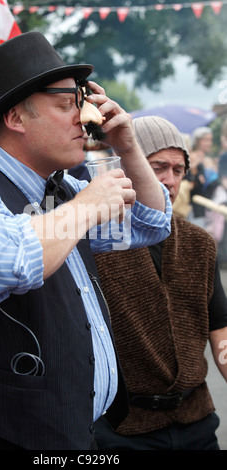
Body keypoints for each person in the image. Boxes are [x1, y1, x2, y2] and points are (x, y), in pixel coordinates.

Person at [0, 32, 172, 450]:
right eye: (65, 105)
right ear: (17, 119)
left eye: (82, 103)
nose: (85, 118)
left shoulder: (63, 189)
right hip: (3, 437)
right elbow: (9, 262)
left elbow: (150, 224)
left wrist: (129, 148)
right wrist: (86, 206)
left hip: (75, 430)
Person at [94, 116, 227, 451]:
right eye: (157, 167)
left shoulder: (199, 243)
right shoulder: (98, 241)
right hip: (121, 429)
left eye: (178, 170)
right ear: (129, 166)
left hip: (196, 420)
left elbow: (221, 330)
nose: (169, 180)